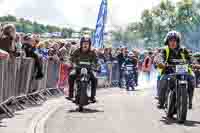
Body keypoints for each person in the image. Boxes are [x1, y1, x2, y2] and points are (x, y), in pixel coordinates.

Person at [157, 31, 195, 109]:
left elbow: (191, 58)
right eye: (171, 40)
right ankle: (161, 101)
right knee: (163, 79)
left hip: (183, 73)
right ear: (167, 41)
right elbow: (160, 57)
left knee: (192, 78)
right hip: (168, 72)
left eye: (175, 40)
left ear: (178, 41)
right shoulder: (165, 50)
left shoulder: (183, 50)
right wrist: (161, 63)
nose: (173, 42)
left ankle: (189, 101)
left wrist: (195, 64)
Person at [67, 36, 98, 103]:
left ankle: (93, 96)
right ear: (81, 43)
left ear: (89, 44)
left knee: (95, 79)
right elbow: (71, 59)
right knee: (71, 75)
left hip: (89, 70)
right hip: (78, 69)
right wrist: (71, 65)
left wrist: (97, 67)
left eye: (87, 43)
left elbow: (96, 61)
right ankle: (70, 95)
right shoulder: (77, 51)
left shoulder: (92, 52)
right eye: (84, 43)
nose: (85, 45)